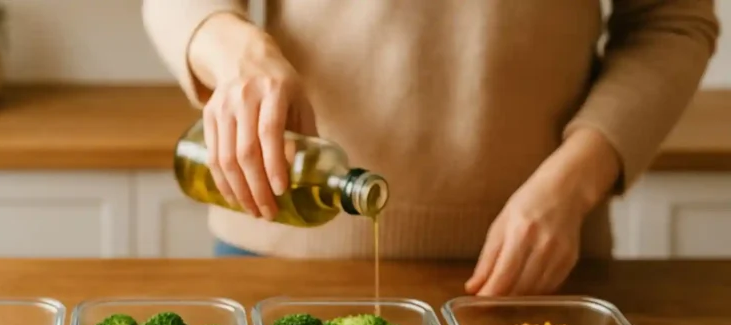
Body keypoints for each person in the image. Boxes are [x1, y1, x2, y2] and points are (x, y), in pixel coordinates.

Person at [142, 1, 719, 295]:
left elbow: (671, 21)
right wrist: (235, 52)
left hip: (540, 259)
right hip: (280, 246)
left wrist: (576, 181)